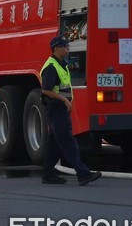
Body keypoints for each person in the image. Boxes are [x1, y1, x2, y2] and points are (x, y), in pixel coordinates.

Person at [40, 35, 101, 186]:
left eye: (67, 45)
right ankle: (83, 173)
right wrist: (64, 99)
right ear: (56, 49)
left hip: (60, 109)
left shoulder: (62, 64)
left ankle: (48, 174)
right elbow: (46, 90)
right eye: (64, 46)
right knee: (68, 142)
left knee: (55, 144)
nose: (68, 48)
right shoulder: (51, 67)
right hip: (56, 108)